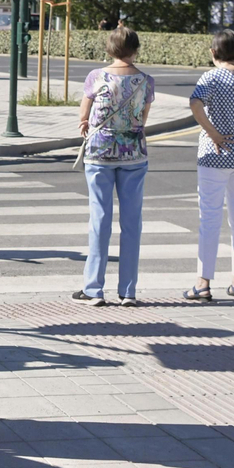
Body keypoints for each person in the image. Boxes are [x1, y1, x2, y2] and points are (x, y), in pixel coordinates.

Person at [74, 27, 155, 307]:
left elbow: (84, 115)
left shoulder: (96, 76)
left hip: (100, 154)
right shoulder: (146, 81)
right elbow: (142, 119)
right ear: (136, 49)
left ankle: (93, 289)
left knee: (100, 219)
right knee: (132, 222)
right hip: (134, 154)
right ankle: (128, 291)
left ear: (109, 49)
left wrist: (85, 123)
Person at [186, 30, 234, 302]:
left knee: (209, 218)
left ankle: (203, 284)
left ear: (213, 52)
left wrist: (213, 133)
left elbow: (195, 103)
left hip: (215, 156)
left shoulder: (211, 77)